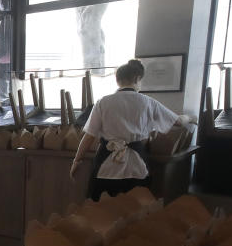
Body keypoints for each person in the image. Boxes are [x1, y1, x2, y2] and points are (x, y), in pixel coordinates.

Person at [69, 59, 193, 200]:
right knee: (135, 211)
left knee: (101, 211)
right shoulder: (148, 102)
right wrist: (190, 117)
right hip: (137, 166)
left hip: (106, 166)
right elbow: (178, 121)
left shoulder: (103, 102)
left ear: (118, 80)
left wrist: (76, 161)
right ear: (137, 79)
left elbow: (89, 136)